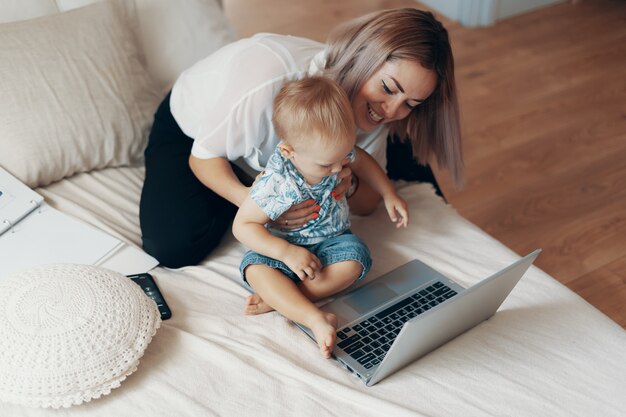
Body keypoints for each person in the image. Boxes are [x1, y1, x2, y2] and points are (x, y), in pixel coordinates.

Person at [139, 8, 463, 268]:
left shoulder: (378, 115)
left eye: (411, 103)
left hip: (285, 158)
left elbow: (367, 204)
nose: (392, 110)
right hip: (195, 132)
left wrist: (347, 183)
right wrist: (256, 203)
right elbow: (203, 157)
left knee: (402, 153)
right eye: (389, 88)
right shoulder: (268, 77)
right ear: (361, 57)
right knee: (173, 246)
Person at [232, 76, 409, 358]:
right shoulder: (278, 182)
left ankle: (284, 300)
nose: (339, 168)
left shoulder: (334, 151)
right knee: (256, 270)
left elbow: (361, 159)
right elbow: (243, 226)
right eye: (328, 164)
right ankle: (313, 317)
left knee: (355, 259)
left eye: (342, 158)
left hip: (331, 242)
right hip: (282, 249)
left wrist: (388, 192)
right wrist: (286, 252)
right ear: (290, 152)